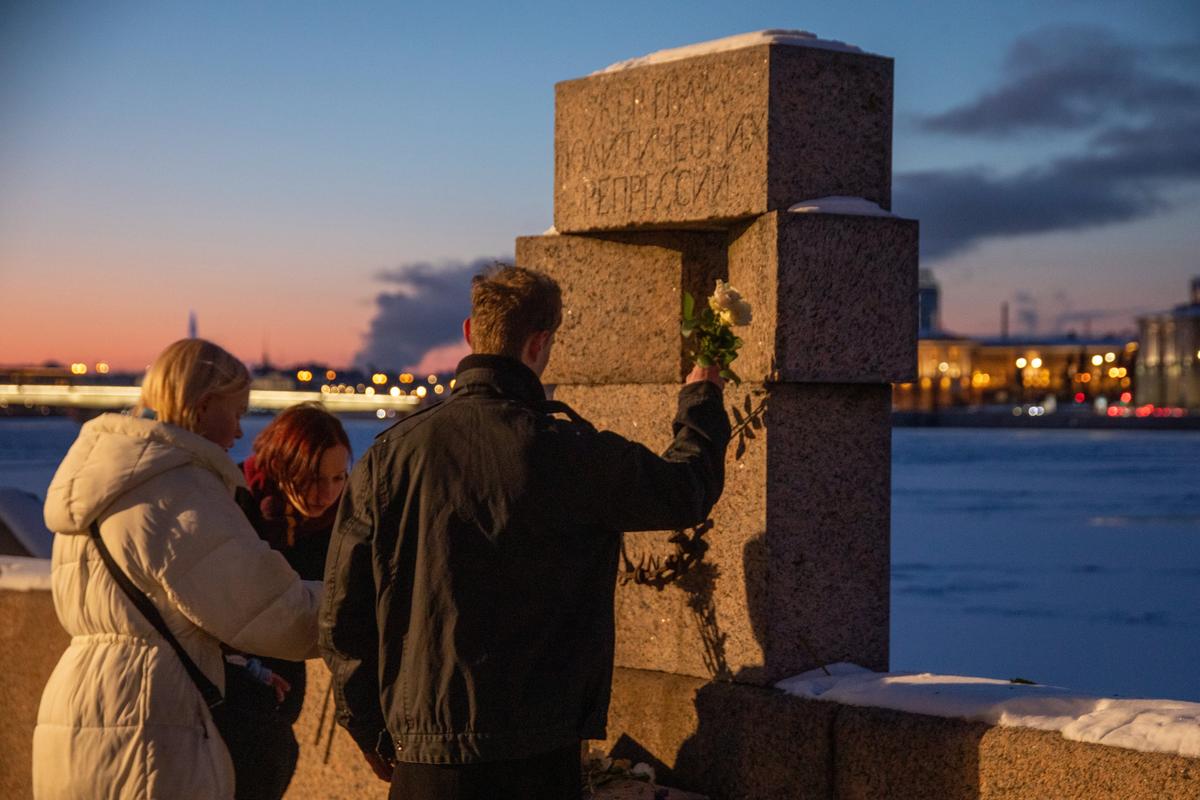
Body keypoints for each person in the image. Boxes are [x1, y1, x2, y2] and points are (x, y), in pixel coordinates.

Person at [320, 264, 731, 800]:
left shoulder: (388, 457)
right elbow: (685, 491)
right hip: (537, 759)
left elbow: (342, 616)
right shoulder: (572, 453)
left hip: (423, 760)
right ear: (539, 343)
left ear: (471, 333)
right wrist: (701, 398)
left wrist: (373, 731)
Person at [32, 339, 323, 800]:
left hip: (74, 716)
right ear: (205, 407)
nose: (239, 433)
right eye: (235, 412)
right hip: (151, 723)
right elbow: (272, 611)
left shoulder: (99, 482)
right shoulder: (179, 489)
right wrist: (359, 603)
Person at [223, 403, 352, 799]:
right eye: (315, 478)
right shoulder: (236, 503)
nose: (327, 493)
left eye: (338, 477)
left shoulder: (339, 521)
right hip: (230, 690)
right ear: (283, 466)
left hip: (284, 688)